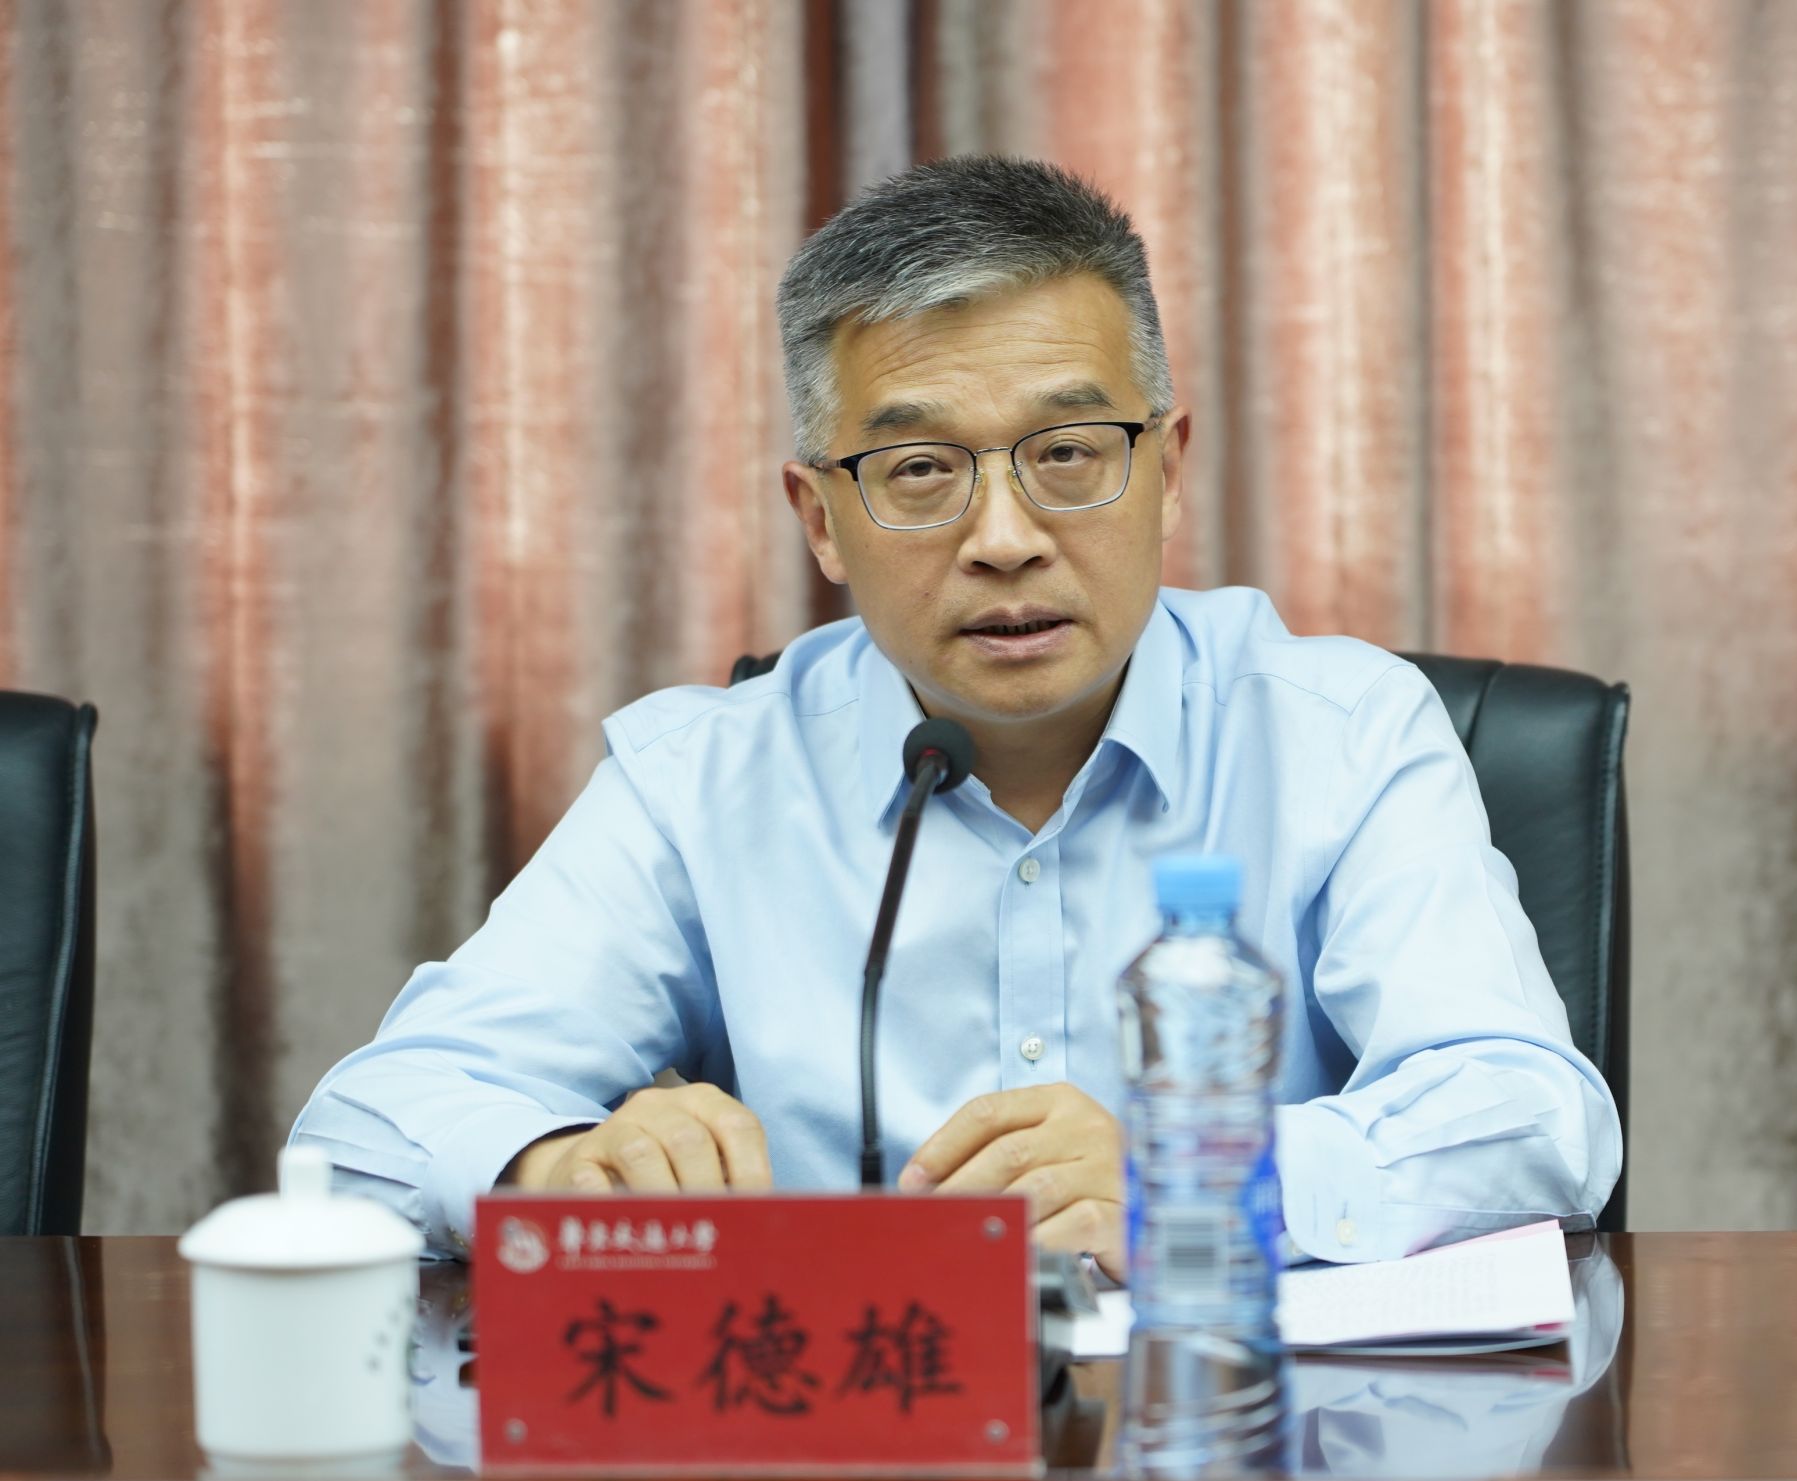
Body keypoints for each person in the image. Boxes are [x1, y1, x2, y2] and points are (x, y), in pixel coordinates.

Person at [292, 156, 1621, 1272]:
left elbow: (1533, 1116)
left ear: (1168, 471)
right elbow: (364, 1127)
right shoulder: (701, 782)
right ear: (821, 517)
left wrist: (1202, 1184)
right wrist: (555, 1165)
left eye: (1068, 454)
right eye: (921, 469)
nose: (1004, 538)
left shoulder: (1341, 735)